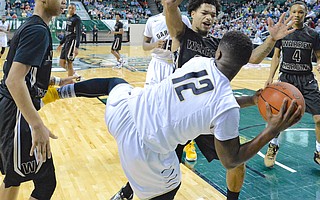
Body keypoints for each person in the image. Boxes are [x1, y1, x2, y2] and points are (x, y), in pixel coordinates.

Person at [113, 0, 296, 200]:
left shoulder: (218, 45)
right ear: (192, 13)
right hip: (177, 113)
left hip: (207, 115)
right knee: (158, 164)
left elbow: (251, 58)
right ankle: (128, 191)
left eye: (214, 14)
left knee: (234, 162)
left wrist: (271, 40)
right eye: (205, 12)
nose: (210, 17)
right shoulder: (182, 34)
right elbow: (169, 3)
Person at [43, 31, 303, 200]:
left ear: (219, 53)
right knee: (169, 187)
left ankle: (59, 93)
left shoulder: (198, 62)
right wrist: (271, 130)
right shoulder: (226, 108)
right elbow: (231, 160)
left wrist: (252, 99)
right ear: (246, 62)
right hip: (143, 149)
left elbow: (206, 101)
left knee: (115, 82)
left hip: (123, 112)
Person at [0, 0, 67, 200]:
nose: (64, 1)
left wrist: (57, 80)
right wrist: (37, 125)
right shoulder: (37, 30)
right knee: (45, 183)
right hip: (17, 115)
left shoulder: (34, 26)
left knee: (14, 176)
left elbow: (27, 75)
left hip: (12, 112)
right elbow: (14, 80)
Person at [264, 1, 320, 167]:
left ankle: (318, 151)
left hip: (307, 79)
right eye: (294, 12)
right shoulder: (283, 32)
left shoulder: (313, 34)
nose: (297, 15)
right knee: (279, 117)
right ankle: (273, 146)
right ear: (290, 13)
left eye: (300, 12)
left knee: (318, 118)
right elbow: (276, 56)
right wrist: (270, 76)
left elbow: (318, 54)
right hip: (286, 79)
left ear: (305, 14)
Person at [143, 0, 191, 86]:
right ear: (162, 2)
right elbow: (144, 45)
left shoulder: (184, 19)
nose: (171, 1)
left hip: (177, 63)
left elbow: (190, 41)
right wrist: (154, 44)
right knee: (152, 95)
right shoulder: (152, 21)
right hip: (158, 63)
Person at [57, 3, 82, 77]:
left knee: (69, 62)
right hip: (67, 41)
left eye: (72, 8)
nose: (71, 9)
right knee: (61, 63)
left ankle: (70, 81)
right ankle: (74, 74)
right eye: (69, 8)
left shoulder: (77, 19)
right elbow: (66, 33)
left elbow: (78, 33)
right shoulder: (68, 18)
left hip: (72, 41)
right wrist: (61, 43)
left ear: (75, 10)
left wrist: (76, 47)